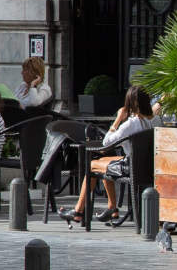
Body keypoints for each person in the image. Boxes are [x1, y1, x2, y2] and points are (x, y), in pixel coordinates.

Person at [58, 85, 154, 224]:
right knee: (104, 162)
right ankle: (112, 208)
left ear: (131, 103)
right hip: (145, 167)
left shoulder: (131, 124)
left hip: (130, 167)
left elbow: (106, 142)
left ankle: (78, 211)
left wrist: (118, 119)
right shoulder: (151, 121)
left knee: (92, 165)